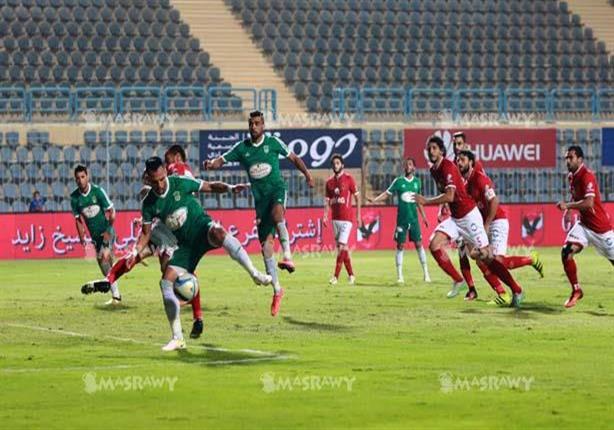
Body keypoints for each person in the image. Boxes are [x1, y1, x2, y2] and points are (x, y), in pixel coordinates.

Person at [134, 156, 273, 351]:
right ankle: (178, 338)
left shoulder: (180, 182)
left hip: (201, 229)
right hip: (184, 246)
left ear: (165, 172)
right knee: (165, 282)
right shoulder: (149, 203)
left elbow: (210, 186)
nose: (159, 184)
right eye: (154, 181)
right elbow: (146, 234)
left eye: (161, 179)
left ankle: (254, 273)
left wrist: (231, 189)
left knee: (218, 232)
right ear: (148, 178)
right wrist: (135, 251)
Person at [81, 151, 206, 338]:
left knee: (173, 271)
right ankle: (109, 280)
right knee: (135, 257)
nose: (152, 183)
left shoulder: (173, 180)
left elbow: (175, 198)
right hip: (159, 233)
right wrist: (143, 220)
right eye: (150, 180)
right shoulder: (149, 195)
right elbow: (153, 211)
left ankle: (196, 318)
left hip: (174, 236)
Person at [203, 110, 314, 302]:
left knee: (278, 214)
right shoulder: (242, 148)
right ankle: (277, 290)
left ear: (263, 126)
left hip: (277, 190)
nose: (253, 127)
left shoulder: (273, 143)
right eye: (251, 124)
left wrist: (308, 175)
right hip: (260, 200)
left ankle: (288, 255)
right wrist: (211, 164)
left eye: (257, 123)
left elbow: (294, 158)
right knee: (266, 248)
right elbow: (221, 160)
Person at [414, 136, 525, 307]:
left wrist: (426, 201)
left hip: (469, 216)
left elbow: (451, 195)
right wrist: (442, 206)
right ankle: (460, 280)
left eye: (435, 148)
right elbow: (448, 193)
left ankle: (515, 289)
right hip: (455, 217)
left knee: (487, 259)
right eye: (429, 148)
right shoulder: (434, 170)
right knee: (434, 244)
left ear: (442, 151)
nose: (431, 151)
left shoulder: (449, 166)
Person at [456, 150, 544, 304]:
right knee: (480, 259)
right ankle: (503, 294)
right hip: (482, 225)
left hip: (497, 221)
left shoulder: (479, 178)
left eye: (462, 159)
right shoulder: (464, 185)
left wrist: (487, 224)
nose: (459, 162)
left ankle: (529, 262)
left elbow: (494, 201)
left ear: (471, 162)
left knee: (498, 261)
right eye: (457, 160)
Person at [556, 145, 614, 308]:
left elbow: (589, 203)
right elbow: (575, 195)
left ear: (580, 159)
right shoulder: (571, 176)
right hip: (584, 226)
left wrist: (568, 205)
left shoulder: (587, 176)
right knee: (566, 252)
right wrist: (568, 210)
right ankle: (576, 290)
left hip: (601, 229)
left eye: (571, 158)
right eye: (566, 158)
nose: (567, 161)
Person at [368, 157, 430, 284]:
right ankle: (400, 276)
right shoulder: (398, 181)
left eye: (410, 164)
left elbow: (419, 201)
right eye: (406, 164)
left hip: (414, 220)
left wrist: (424, 217)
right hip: (401, 220)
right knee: (400, 245)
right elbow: (387, 193)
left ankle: (426, 274)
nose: (407, 166)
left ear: (414, 168)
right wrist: (375, 200)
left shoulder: (417, 182)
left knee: (418, 244)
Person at [70, 165, 121, 305]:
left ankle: (116, 296)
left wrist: (108, 230)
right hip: (95, 238)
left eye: (82, 177)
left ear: (87, 177)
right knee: (106, 266)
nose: (80, 180)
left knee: (104, 258)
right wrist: (82, 236)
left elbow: (112, 212)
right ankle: (116, 292)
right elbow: (78, 219)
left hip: (107, 231)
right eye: (77, 178)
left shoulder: (98, 192)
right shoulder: (74, 198)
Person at [323, 154, 361, 285]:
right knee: (343, 248)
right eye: (334, 163)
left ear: (342, 165)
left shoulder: (349, 179)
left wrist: (358, 215)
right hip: (335, 219)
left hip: (347, 219)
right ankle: (351, 275)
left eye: (338, 163)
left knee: (341, 247)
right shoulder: (329, 183)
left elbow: (357, 197)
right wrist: (325, 216)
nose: (335, 165)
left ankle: (335, 277)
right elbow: (327, 201)